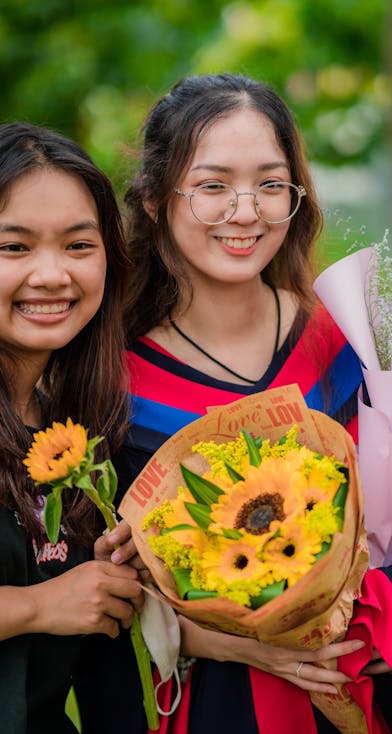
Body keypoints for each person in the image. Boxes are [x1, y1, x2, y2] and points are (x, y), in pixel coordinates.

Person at [115, 74, 392, 733]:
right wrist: (222, 638)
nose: (247, 211)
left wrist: (381, 627)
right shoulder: (112, 384)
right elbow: (95, 593)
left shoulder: (355, 350)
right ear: (154, 198)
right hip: (219, 710)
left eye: (271, 184)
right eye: (213, 186)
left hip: (354, 701)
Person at [0, 122, 146, 734]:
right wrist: (37, 605)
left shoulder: (80, 431)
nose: (53, 274)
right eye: (15, 247)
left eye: (79, 246)